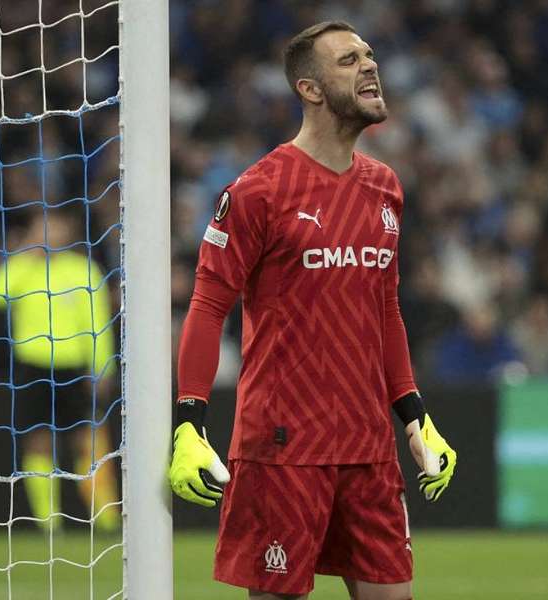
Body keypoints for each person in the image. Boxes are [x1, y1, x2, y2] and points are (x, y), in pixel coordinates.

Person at [169, 21, 458, 600]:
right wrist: (188, 423)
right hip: (284, 448)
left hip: (369, 447)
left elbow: (385, 311)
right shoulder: (259, 192)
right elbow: (207, 306)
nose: (370, 65)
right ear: (311, 88)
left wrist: (414, 416)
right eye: (349, 60)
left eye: (370, 55)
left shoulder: (385, 188)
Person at [0, 209, 119, 533]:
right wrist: (27, 251)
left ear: (68, 231)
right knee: (37, 442)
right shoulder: (24, 269)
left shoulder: (84, 270)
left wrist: (103, 368)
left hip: (74, 367)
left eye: (55, 227)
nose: (50, 234)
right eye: (42, 228)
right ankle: (49, 521)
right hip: (33, 365)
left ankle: (106, 517)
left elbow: (98, 324)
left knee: (86, 441)